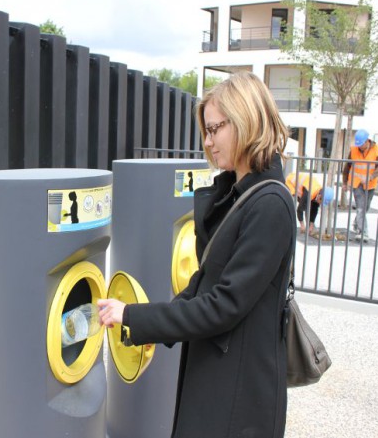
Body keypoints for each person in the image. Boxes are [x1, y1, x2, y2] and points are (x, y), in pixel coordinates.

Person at [98, 71, 295, 438]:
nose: (207, 142)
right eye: (206, 131)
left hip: (239, 390)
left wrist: (135, 316)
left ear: (245, 121)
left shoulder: (269, 204)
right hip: (219, 373)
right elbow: (204, 283)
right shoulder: (239, 194)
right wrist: (139, 320)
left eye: (214, 129)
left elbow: (223, 304)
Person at [342, 129, 378, 242]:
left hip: (370, 184)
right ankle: (362, 232)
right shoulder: (353, 150)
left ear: (367, 141)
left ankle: (357, 222)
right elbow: (347, 168)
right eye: (358, 144)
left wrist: (370, 177)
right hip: (356, 184)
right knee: (361, 207)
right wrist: (344, 183)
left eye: (361, 145)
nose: (359, 147)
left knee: (365, 208)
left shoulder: (377, 149)